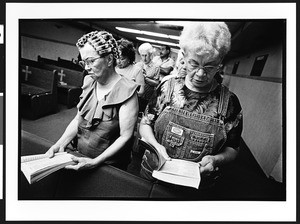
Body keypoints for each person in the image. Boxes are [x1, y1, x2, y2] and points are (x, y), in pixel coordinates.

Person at [139, 22, 243, 189]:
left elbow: (233, 148)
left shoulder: (230, 102)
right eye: (194, 64)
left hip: (197, 185)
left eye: (209, 67)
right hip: (153, 173)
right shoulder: (167, 88)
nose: (201, 74)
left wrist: (216, 160)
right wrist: (156, 146)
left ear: (220, 63)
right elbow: (145, 124)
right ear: (184, 56)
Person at [46, 30, 139, 171]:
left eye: (91, 61)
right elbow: (78, 119)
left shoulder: (127, 91)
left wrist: (95, 162)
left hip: (108, 166)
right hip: (80, 156)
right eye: (84, 62)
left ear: (109, 59)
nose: (87, 67)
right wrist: (60, 143)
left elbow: (125, 136)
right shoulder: (88, 82)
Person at [135, 43, 160, 113]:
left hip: (148, 97)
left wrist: (145, 79)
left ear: (150, 55)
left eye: (146, 55)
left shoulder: (156, 67)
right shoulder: (137, 66)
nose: (144, 58)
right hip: (137, 96)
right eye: (142, 55)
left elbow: (157, 83)